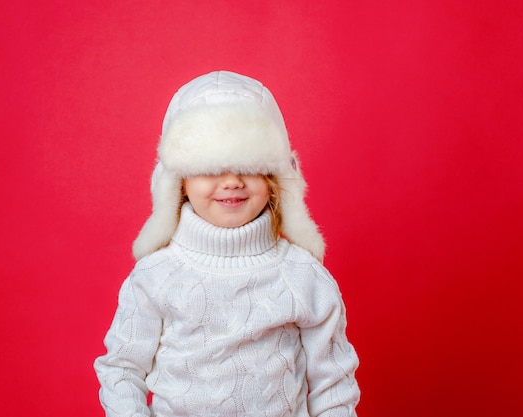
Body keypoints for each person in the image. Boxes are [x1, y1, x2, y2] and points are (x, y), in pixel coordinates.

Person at [94, 70, 360, 417]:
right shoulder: (155, 275)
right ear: (179, 182)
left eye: (248, 166)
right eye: (211, 167)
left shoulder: (303, 276)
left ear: (275, 177)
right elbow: (122, 370)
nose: (232, 181)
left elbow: (334, 386)